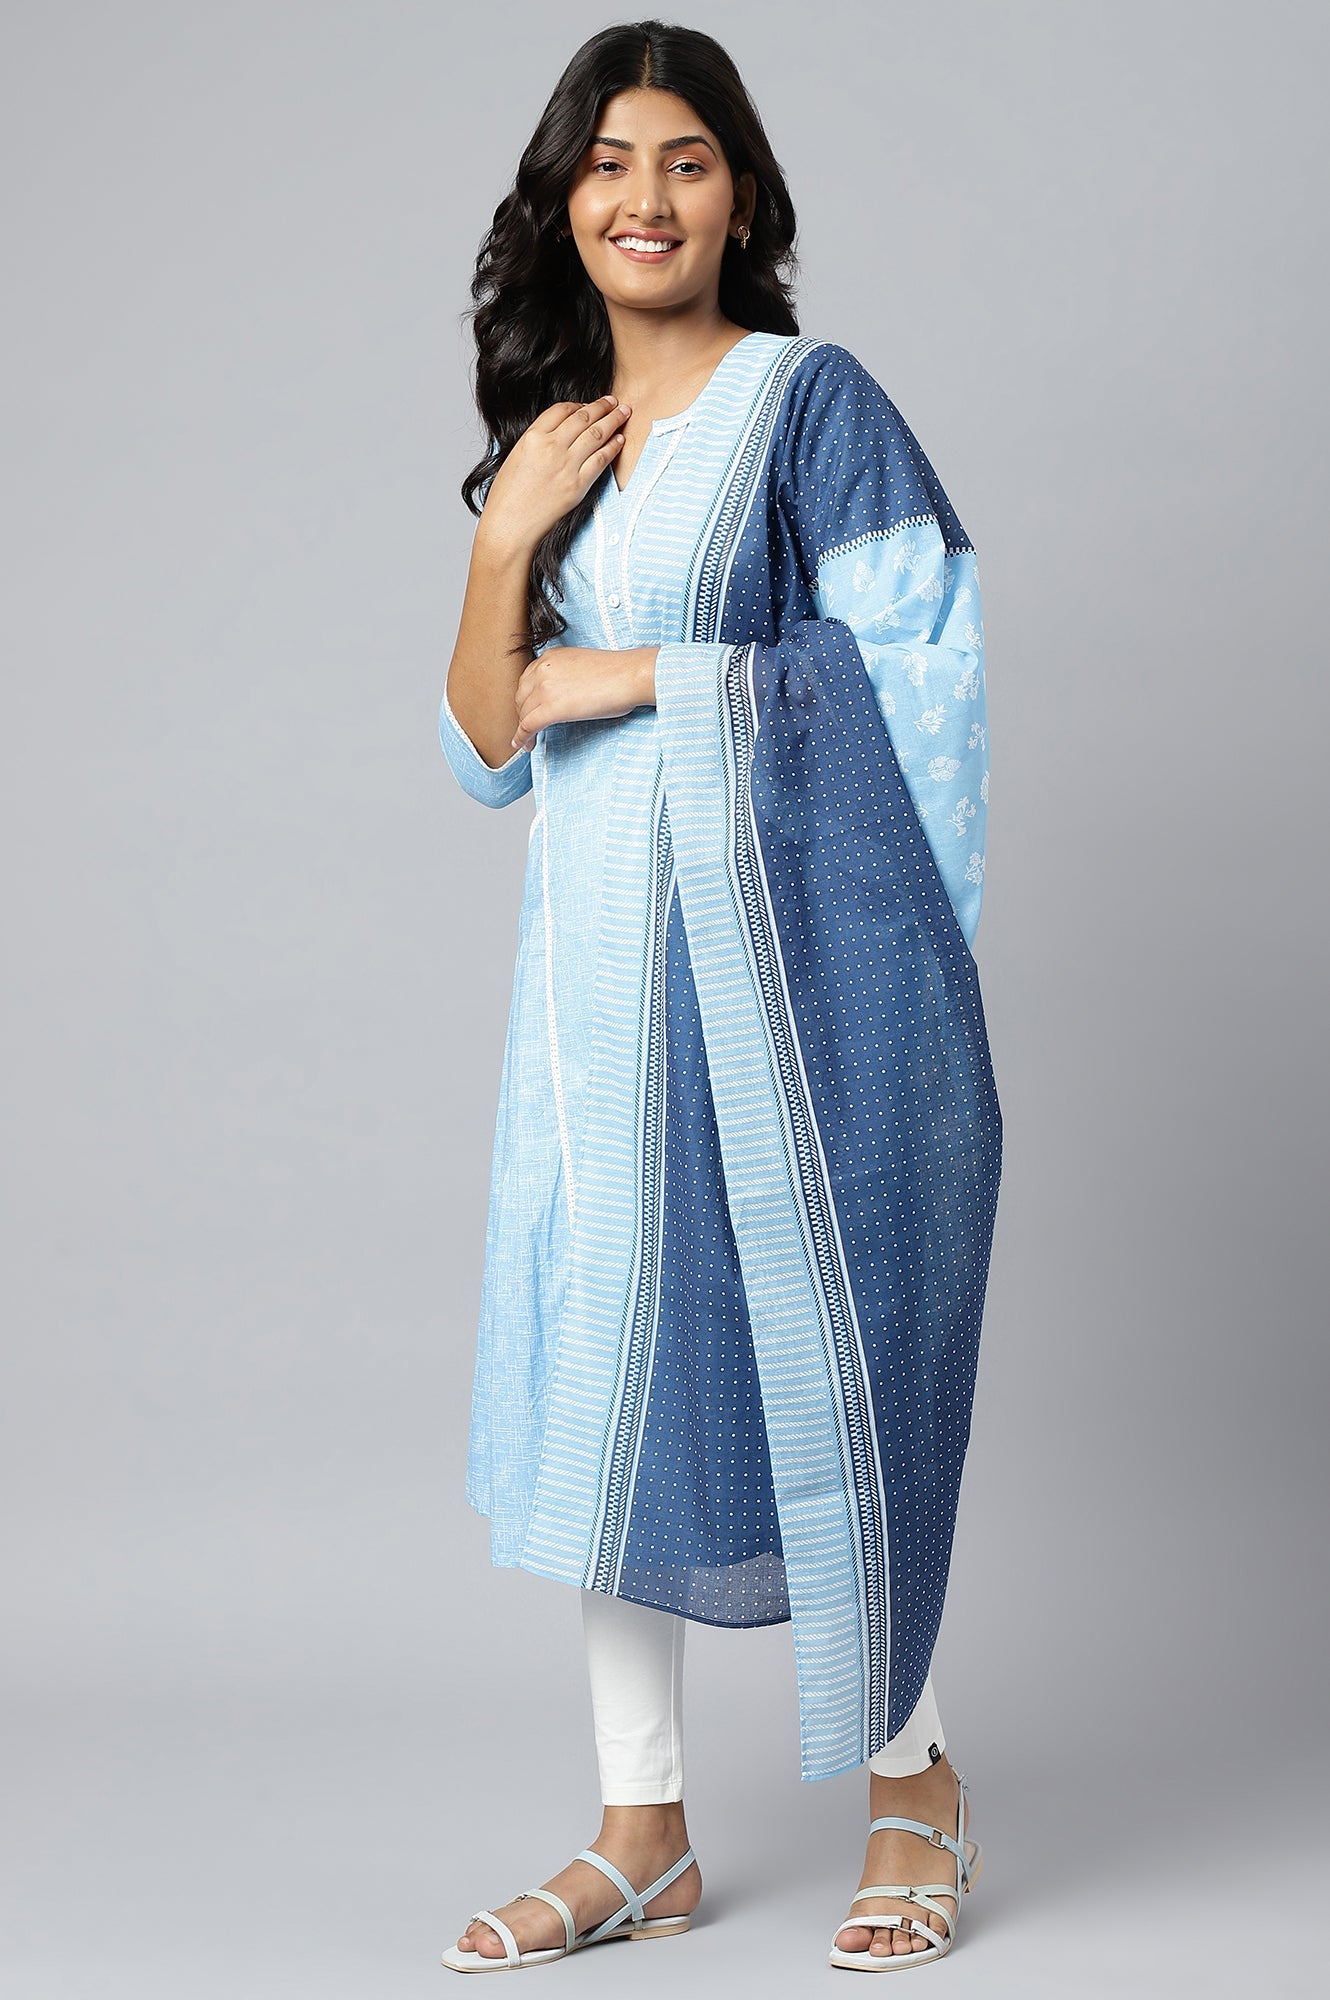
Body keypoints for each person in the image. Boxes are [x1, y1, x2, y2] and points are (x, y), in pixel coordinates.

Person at [436, 18, 1001, 1976]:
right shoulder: (556, 439)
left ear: (739, 195)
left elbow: (916, 678)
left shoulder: (806, 403)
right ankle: (640, 1831)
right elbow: (484, 748)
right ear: (559, 204)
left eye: (683, 159)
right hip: (597, 999)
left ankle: (914, 1783)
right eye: (605, 163)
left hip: (793, 991)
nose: (644, 197)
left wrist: (644, 677)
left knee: (825, 1350)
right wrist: (503, 546)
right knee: (615, 1371)